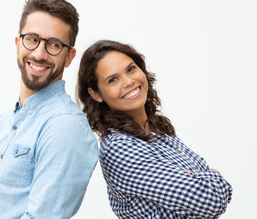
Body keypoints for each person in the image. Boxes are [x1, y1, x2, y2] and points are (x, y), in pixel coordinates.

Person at [0, 0, 98, 219]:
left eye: (54, 45)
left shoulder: (65, 126)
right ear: (18, 44)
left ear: (69, 57)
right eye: (32, 39)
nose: (39, 53)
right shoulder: (3, 122)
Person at [77, 40, 232, 218]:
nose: (128, 81)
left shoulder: (158, 129)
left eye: (131, 69)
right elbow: (208, 200)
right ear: (96, 94)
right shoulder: (119, 146)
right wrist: (212, 176)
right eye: (113, 80)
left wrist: (203, 179)